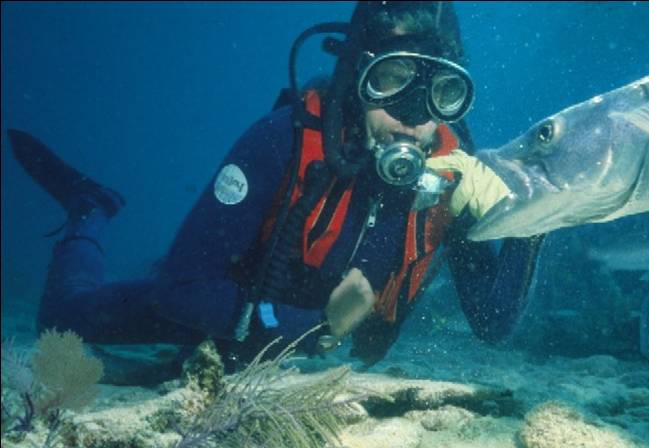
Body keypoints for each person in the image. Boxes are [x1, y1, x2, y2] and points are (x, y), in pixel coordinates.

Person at [8, 1, 543, 383]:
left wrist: (528, 212)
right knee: (60, 319)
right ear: (357, 77)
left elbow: (494, 325)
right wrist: (317, 330)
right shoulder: (283, 139)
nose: (412, 119)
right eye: (391, 80)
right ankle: (90, 209)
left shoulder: (455, 178)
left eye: (441, 93)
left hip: (299, 350)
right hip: (219, 323)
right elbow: (181, 286)